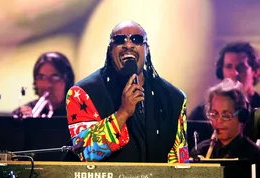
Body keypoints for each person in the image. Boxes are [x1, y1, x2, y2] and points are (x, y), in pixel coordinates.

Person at [66, 20, 188, 163]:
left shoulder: (174, 98)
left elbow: (179, 163)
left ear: (146, 49)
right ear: (110, 50)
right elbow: (85, 153)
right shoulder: (82, 93)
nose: (128, 45)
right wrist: (122, 113)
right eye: (120, 40)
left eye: (136, 40)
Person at [190, 78, 260, 178]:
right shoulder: (200, 151)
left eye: (226, 115)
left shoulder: (255, 156)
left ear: (241, 117)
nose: (218, 122)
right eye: (214, 114)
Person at [189, 41, 260, 121]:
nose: (235, 73)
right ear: (221, 71)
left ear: (255, 72)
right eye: (228, 66)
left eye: (241, 67)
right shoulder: (201, 114)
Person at [13, 52, 75, 117]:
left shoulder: (79, 113)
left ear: (67, 81)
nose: (47, 85)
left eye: (55, 77)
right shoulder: (23, 112)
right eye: (41, 77)